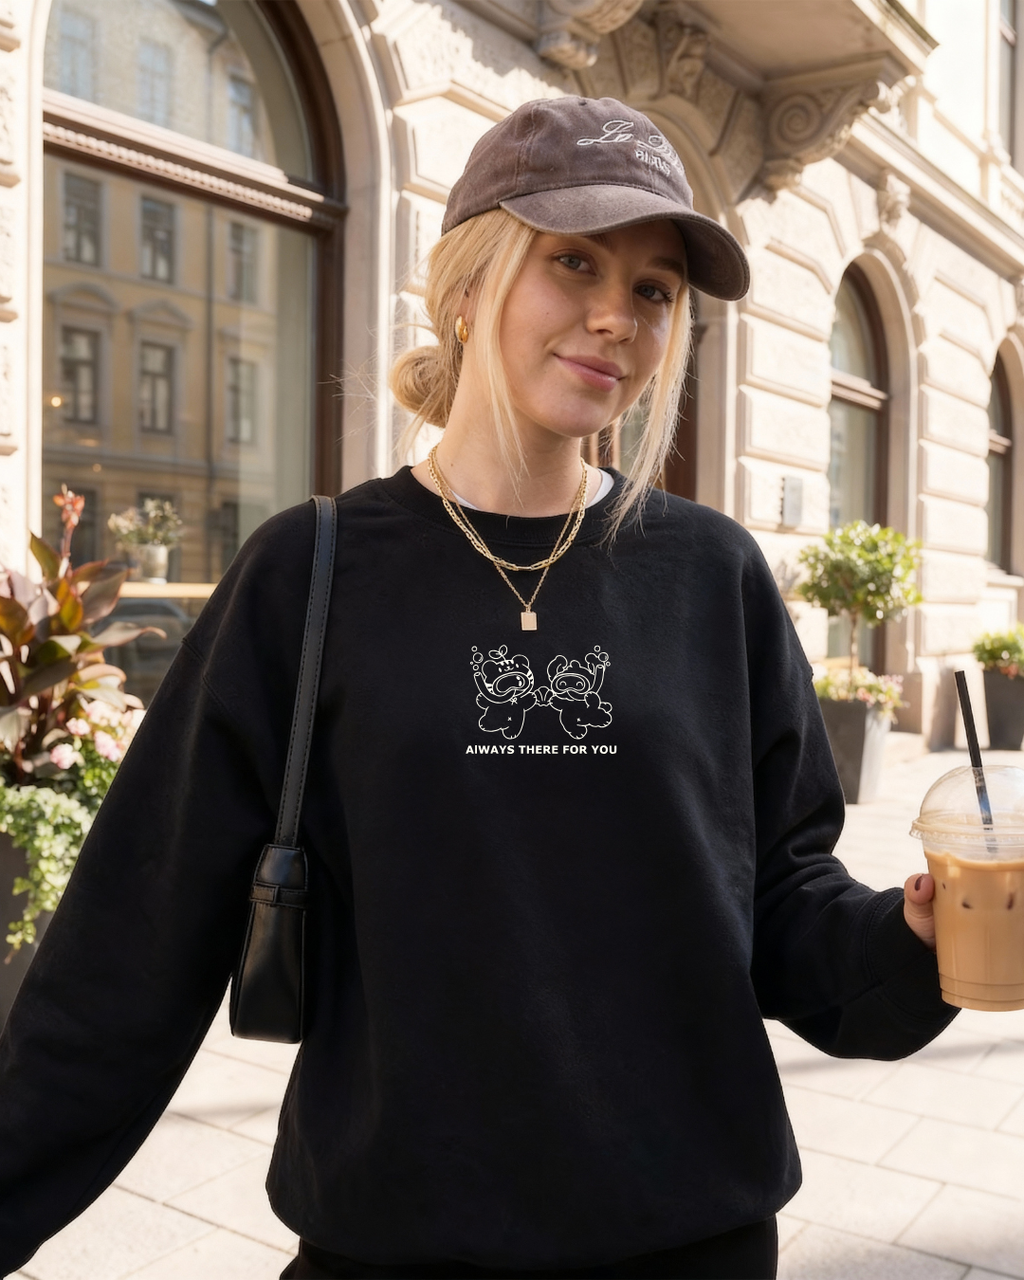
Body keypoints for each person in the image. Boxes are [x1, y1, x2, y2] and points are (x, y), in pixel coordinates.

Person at [0, 96, 952, 1280]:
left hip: (689, 1235)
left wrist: (917, 937)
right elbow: (129, 946)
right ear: (467, 283)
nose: (616, 314)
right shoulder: (313, 569)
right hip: (395, 1238)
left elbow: (783, 904)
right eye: (573, 262)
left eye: (654, 289)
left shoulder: (710, 573)